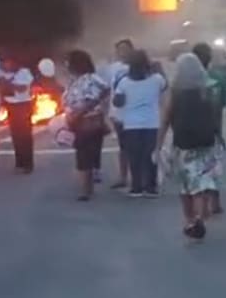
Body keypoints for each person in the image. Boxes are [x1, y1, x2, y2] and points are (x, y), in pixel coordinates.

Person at [158, 53, 221, 239]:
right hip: (206, 142)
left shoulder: (175, 92)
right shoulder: (208, 90)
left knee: (186, 184)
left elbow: (165, 120)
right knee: (201, 181)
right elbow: (216, 115)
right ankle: (200, 216)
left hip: (183, 144)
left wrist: (158, 144)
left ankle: (190, 219)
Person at [113, 49, 166, 197]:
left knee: (134, 156)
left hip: (131, 124)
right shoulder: (157, 79)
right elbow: (165, 87)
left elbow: (117, 102)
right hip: (151, 122)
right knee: (150, 155)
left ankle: (136, 187)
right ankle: (151, 187)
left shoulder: (124, 81)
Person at [62, 50, 110, 201]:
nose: (66, 65)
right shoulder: (75, 80)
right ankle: (88, 188)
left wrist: (80, 111)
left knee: (83, 155)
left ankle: (85, 191)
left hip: (88, 121)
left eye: (68, 61)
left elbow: (102, 92)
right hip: (80, 121)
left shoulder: (90, 79)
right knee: (87, 154)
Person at [191, 42, 226, 215]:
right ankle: (215, 202)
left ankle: (202, 205)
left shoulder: (188, 80)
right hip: (214, 128)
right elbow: (222, 103)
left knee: (198, 167)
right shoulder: (218, 78)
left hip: (193, 130)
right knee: (213, 165)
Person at [98, 39, 134, 188]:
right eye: (119, 50)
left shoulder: (139, 67)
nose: (122, 52)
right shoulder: (112, 69)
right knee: (123, 146)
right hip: (118, 113)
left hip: (135, 112)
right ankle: (123, 177)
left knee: (138, 147)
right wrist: (104, 110)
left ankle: (140, 177)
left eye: (125, 49)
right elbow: (106, 89)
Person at [1, 55, 36, 173]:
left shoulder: (24, 72)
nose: (6, 65)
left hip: (23, 105)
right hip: (11, 106)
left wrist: (9, 84)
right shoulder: (4, 74)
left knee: (25, 136)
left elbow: (23, 88)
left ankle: (28, 164)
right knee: (15, 135)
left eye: (8, 62)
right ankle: (19, 162)